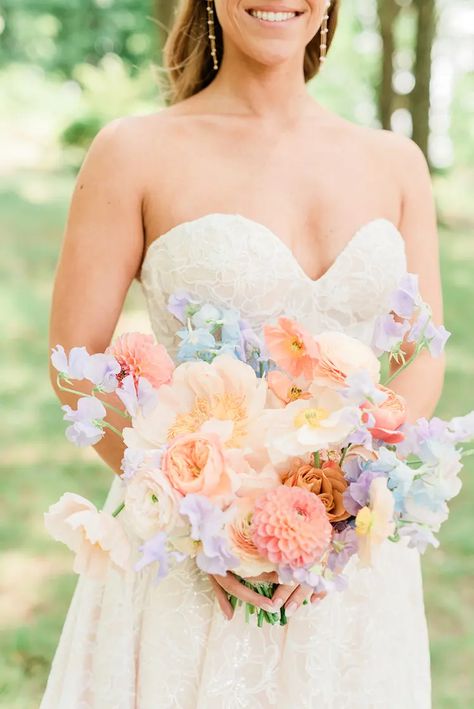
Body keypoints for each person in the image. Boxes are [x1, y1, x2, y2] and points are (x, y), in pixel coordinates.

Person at [41, 1, 446, 707]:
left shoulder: (395, 163)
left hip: (353, 577)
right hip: (188, 571)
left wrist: (338, 508)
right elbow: (74, 362)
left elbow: (421, 354)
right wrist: (206, 521)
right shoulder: (134, 151)